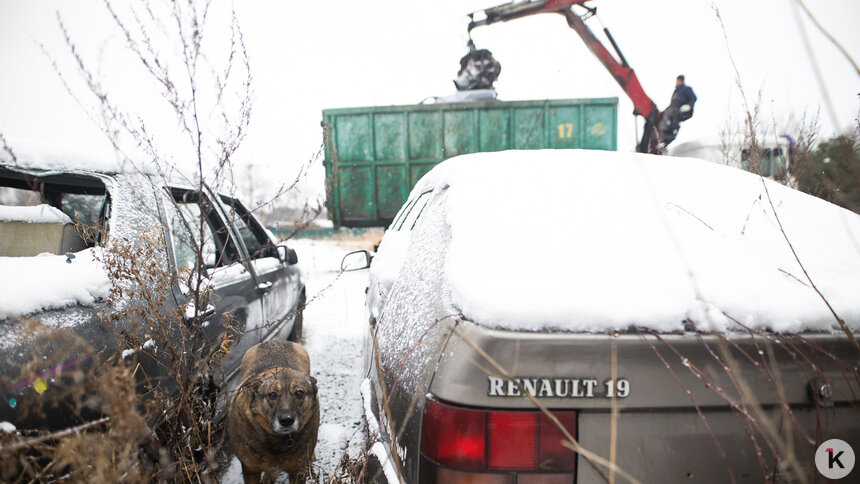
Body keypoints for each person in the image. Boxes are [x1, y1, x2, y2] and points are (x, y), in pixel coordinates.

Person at [658, 75, 697, 145]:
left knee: (672, 117)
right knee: (666, 114)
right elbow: (672, 104)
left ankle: (666, 132)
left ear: (681, 81)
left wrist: (689, 105)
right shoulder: (676, 91)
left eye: (678, 81)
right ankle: (664, 132)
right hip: (673, 110)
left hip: (681, 110)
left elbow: (693, 98)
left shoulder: (686, 89)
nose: (677, 82)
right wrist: (663, 111)